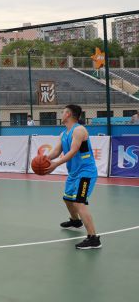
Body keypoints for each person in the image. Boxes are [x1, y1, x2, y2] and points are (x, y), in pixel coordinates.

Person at [44, 104, 101, 250]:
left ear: (68, 114)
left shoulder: (79, 130)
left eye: (63, 112)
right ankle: (76, 221)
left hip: (86, 172)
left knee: (79, 202)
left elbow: (74, 151)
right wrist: (45, 159)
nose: (61, 114)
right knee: (68, 198)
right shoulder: (64, 134)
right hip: (74, 173)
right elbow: (56, 151)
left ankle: (93, 238)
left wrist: (55, 164)